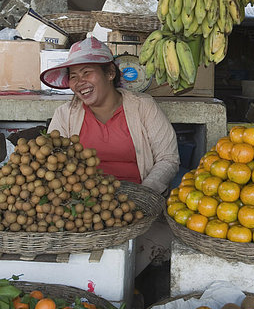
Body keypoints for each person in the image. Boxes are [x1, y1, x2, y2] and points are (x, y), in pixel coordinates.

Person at [40, 37, 180, 195]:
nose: (80, 82)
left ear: (110, 73)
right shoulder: (65, 114)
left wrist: (144, 193)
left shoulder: (143, 106)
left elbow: (168, 158)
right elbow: (51, 160)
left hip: (138, 200)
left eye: (86, 73)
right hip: (84, 201)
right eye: (73, 76)